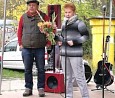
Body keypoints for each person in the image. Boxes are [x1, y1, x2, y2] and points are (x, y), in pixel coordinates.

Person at [17, 0, 50, 97]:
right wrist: (20, 43)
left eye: (34, 5)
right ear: (28, 6)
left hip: (39, 47)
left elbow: (50, 30)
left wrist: (48, 42)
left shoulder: (43, 17)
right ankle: (28, 88)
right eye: (30, 5)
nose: (31, 7)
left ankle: (41, 88)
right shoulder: (23, 17)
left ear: (37, 6)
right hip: (26, 48)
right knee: (27, 69)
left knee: (41, 69)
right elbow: (19, 31)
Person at [58, 3, 90, 98]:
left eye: (69, 12)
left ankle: (85, 96)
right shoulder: (64, 24)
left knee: (79, 77)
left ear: (74, 12)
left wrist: (75, 41)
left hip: (75, 54)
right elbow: (63, 37)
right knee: (67, 78)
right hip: (64, 54)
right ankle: (68, 96)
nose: (67, 14)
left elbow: (86, 36)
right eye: (66, 12)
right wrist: (58, 40)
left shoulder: (79, 23)